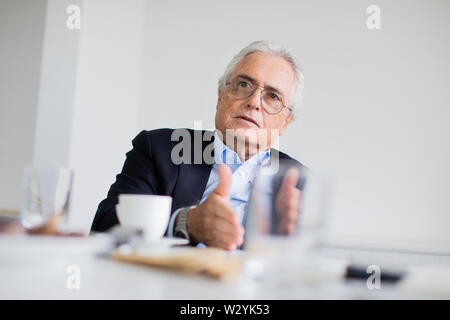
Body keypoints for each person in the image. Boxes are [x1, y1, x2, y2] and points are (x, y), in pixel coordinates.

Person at [91, 40, 305, 251]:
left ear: (285, 121)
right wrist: (184, 223)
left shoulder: (299, 183)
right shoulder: (159, 149)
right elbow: (105, 226)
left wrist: (289, 244)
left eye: (273, 96)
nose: (254, 102)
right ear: (221, 96)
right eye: (243, 84)